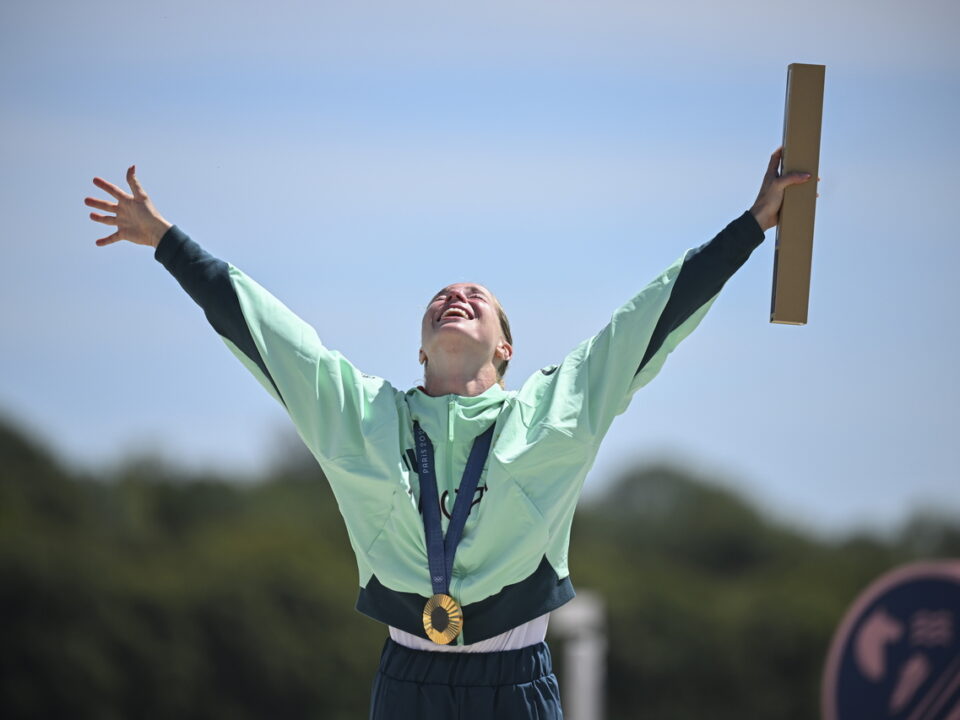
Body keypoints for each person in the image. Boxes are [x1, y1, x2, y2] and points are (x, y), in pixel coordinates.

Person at [85, 147, 817, 719]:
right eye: (442, 296)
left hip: (516, 685)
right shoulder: (363, 418)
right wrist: (166, 241)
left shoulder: (552, 414)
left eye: (479, 299)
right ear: (422, 346)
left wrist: (751, 227)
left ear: (505, 349)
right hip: (409, 685)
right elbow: (264, 328)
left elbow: (651, 318)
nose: (456, 296)